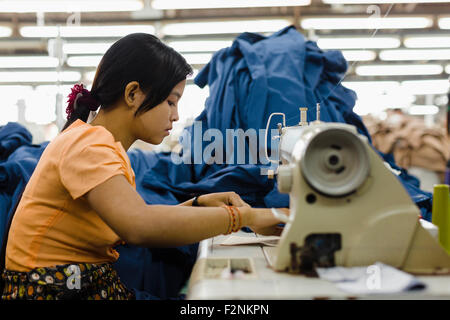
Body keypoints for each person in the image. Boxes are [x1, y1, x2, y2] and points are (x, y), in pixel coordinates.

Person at [1, 33, 284, 300]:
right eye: (171, 101)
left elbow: (135, 217)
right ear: (133, 93)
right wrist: (244, 218)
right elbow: (139, 226)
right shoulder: (88, 145)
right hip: (53, 290)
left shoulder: (102, 146)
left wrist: (197, 204)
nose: (176, 116)